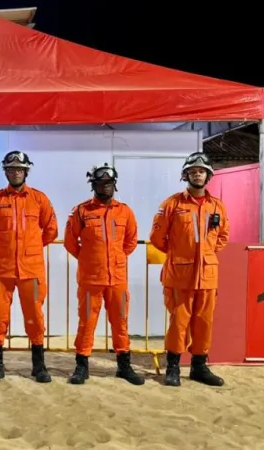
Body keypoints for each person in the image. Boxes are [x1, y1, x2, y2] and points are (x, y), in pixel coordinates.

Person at [149, 152, 229, 387]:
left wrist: (206, 255)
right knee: (179, 322)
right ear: (186, 175)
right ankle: (173, 366)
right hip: (180, 275)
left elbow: (223, 237)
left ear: (208, 176)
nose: (197, 174)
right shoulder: (172, 204)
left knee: (204, 321)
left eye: (201, 171)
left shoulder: (218, 207)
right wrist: (179, 255)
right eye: (193, 171)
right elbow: (157, 237)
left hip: (207, 275)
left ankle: (199, 367)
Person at [0, 150, 58, 383]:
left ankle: (39, 366)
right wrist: (9, 250)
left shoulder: (39, 199)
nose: (16, 172)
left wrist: (30, 249)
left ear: (26, 171)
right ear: (5, 171)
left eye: (20, 169)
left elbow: (51, 230)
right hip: (1, 270)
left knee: (34, 316)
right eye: (11, 168)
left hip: (31, 270)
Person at [63, 163, 143, 385]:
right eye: (101, 183)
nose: (105, 187)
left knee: (120, 322)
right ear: (94, 185)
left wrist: (115, 258)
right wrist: (89, 259)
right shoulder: (81, 211)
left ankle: (124, 366)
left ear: (114, 185)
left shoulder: (125, 211)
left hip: (117, 279)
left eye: (109, 183)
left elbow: (131, 241)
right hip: (90, 279)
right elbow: (70, 242)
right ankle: (81, 366)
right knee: (87, 322)